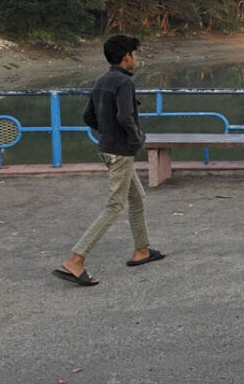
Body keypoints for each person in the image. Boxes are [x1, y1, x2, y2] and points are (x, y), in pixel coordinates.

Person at [54, 34, 164, 286]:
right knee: (115, 205)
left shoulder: (102, 80)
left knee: (137, 198)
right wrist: (136, 139)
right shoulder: (123, 82)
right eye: (135, 54)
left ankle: (142, 250)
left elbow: (88, 116)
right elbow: (125, 117)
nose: (137, 58)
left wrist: (107, 133)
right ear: (127, 57)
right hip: (120, 152)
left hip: (108, 148)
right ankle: (75, 259)